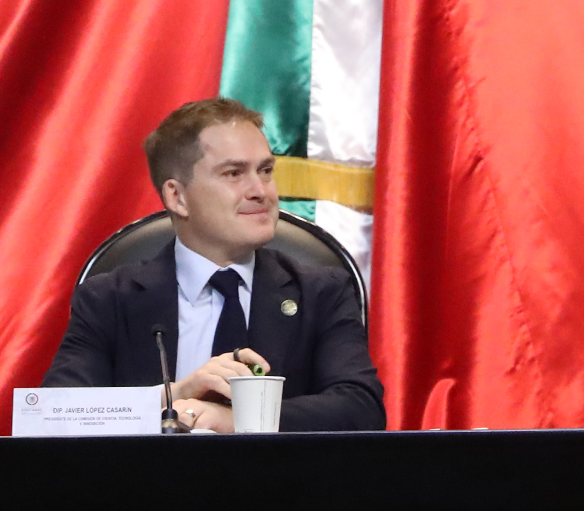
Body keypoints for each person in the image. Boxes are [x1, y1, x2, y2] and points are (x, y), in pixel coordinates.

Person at [44, 97, 385, 431]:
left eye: (265, 171)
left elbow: (361, 408)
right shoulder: (110, 299)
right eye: (234, 173)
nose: (261, 191)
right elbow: (54, 415)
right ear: (177, 196)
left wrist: (237, 422)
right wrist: (174, 396)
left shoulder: (320, 292)